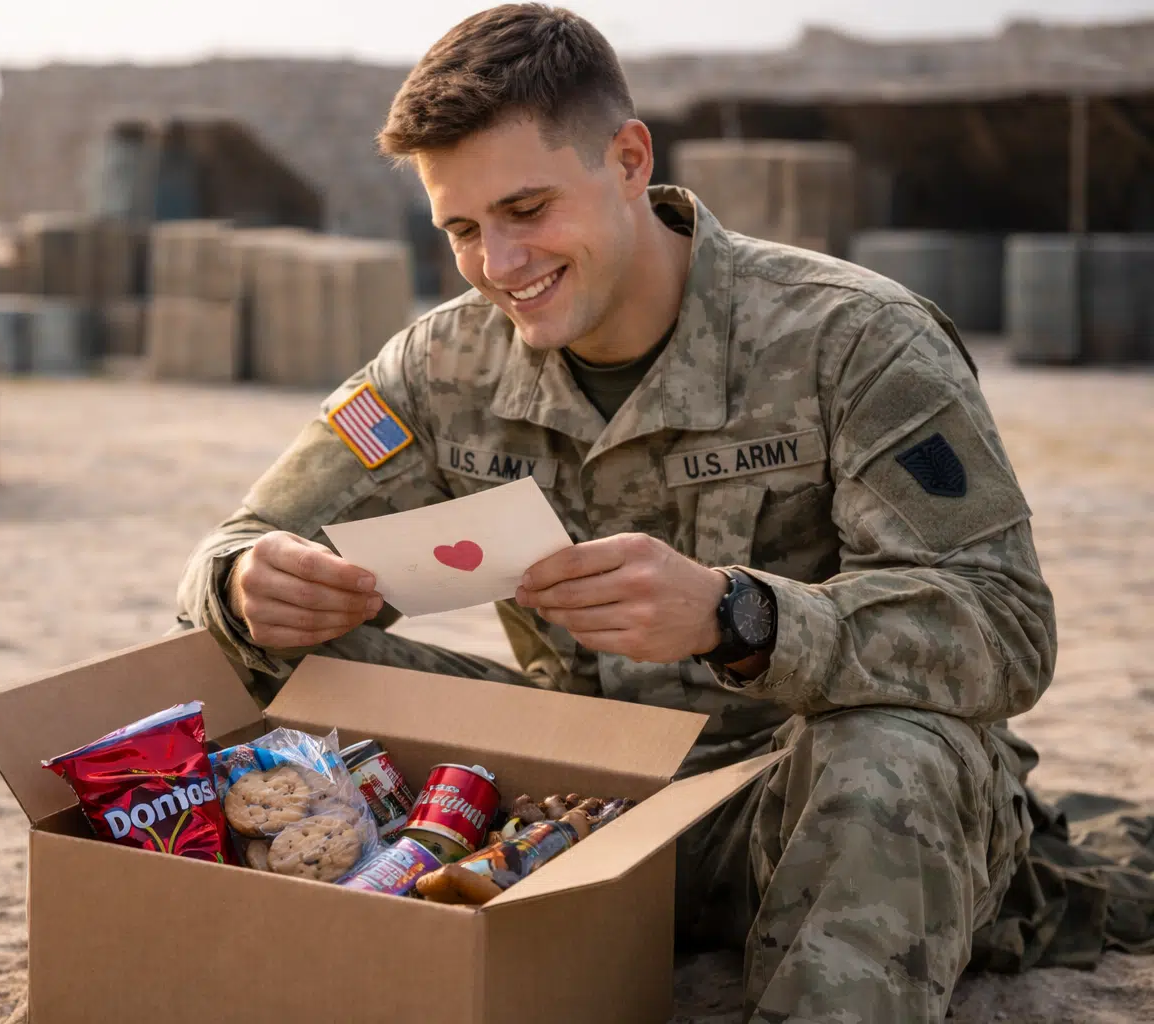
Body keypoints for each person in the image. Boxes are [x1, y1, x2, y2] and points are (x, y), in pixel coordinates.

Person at [174, 5, 1057, 1020]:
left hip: (799, 806)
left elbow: (1006, 626)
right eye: (463, 230)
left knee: (897, 750)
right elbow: (238, 545)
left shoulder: (855, 340)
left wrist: (738, 616)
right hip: (569, 804)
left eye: (527, 208)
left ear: (631, 160)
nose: (501, 263)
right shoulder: (440, 365)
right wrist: (247, 584)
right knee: (247, 644)